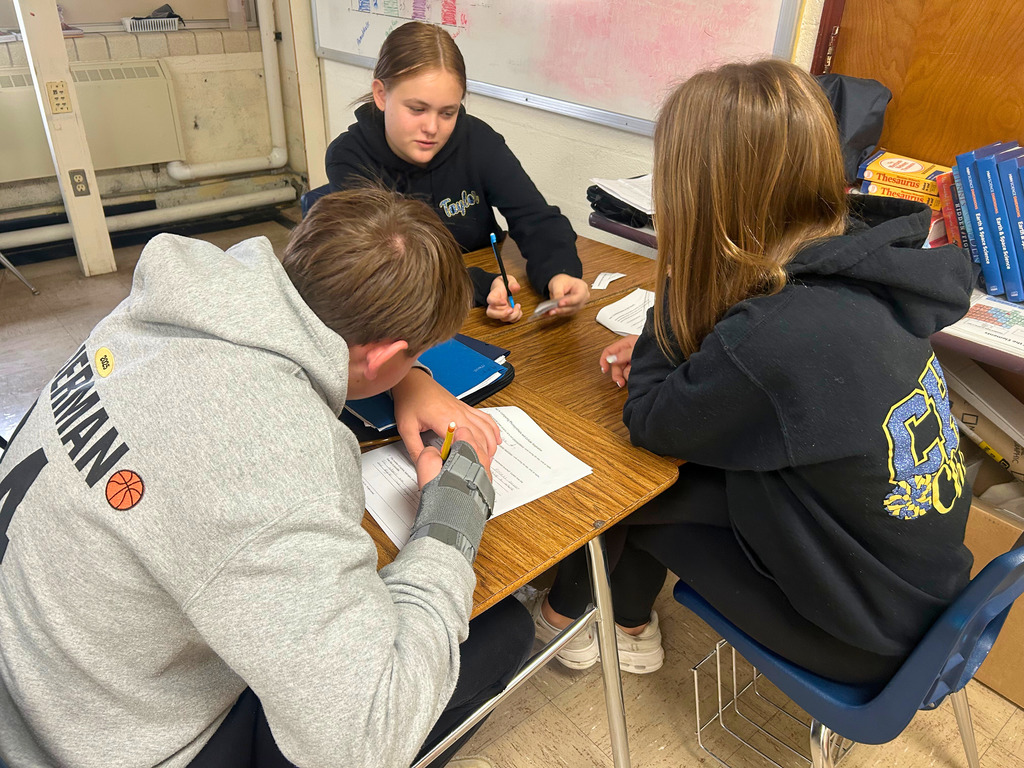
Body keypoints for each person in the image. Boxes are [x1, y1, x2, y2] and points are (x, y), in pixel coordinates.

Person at [0, 188, 534, 768]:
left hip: (32, 682)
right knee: (503, 629)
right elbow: (367, 737)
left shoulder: (168, 307)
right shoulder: (274, 451)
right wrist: (453, 515)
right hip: (89, 747)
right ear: (382, 356)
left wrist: (411, 378)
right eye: (413, 356)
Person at [532, 59, 975, 685]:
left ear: (703, 198)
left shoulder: (778, 334)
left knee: (632, 490)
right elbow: (774, 367)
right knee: (689, 470)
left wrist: (670, 315)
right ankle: (622, 623)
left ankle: (583, 623)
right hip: (921, 592)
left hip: (863, 636)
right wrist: (706, 351)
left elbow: (651, 421)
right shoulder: (860, 262)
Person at [325, 20, 590, 324]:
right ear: (381, 95)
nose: (432, 128)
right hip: (404, 317)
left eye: (447, 113)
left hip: (483, 307)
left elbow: (536, 218)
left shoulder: (478, 140)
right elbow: (385, 266)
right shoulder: (350, 157)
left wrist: (559, 272)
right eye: (417, 109)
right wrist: (479, 285)